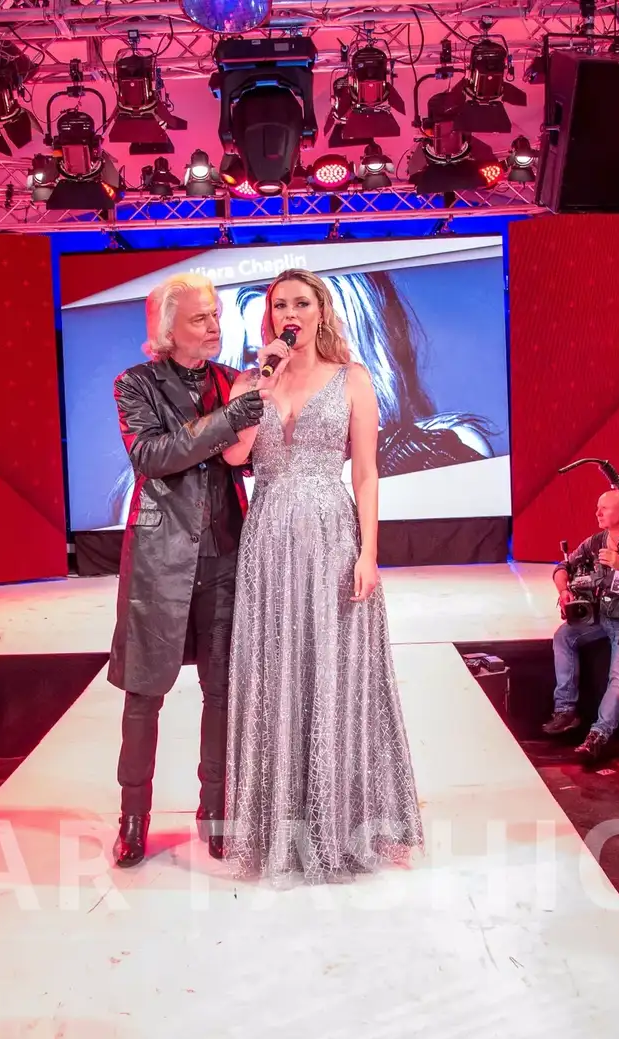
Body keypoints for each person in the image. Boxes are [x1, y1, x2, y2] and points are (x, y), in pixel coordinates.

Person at [221, 268, 424, 882]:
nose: (290, 313)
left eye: (301, 303)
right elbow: (235, 455)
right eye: (280, 304)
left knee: (335, 671)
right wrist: (261, 384)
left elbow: (365, 472)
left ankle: (341, 823)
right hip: (268, 539)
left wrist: (369, 553)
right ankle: (278, 827)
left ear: (321, 312)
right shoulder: (249, 381)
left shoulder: (352, 378)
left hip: (333, 536)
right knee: (275, 671)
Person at [107, 271, 265, 868]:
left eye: (216, 315)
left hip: (226, 554)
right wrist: (233, 416)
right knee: (144, 694)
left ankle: (217, 812)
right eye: (200, 318)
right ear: (167, 330)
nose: (214, 326)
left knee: (221, 691)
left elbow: (246, 460)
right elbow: (153, 455)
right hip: (159, 560)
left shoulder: (231, 380)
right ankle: (132, 820)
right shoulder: (135, 383)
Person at [542, 489, 619, 761]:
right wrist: (564, 591)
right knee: (564, 636)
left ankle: (598, 735)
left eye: (604, 508)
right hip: (603, 615)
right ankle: (566, 710)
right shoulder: (597, 541)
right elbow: (562, 567)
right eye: (597, 508)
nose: (597, 513)